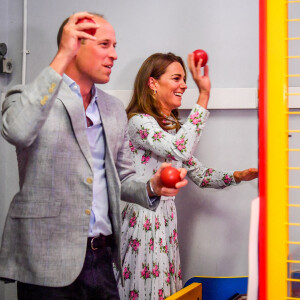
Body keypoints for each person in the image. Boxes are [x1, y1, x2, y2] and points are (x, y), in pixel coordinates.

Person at [0, 13, 188, 300]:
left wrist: (152, 186)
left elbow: (122, 179)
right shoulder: (26, 97)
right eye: (104, 45)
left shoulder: (113, 110)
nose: (113, 54)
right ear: (75, 46)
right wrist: (62, 56)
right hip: (45, 263)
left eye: (115, 45)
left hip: (101, 261)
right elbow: (18, 131)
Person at [117, 52, 258, 299]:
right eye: (176, 78)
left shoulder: (171, 130)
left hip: (165, 221)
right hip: (143, 219)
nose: (184, 85)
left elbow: (200, 175)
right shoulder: (139, 123)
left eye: (184, 79)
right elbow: (180, 149)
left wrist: (239, 175)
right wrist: (204, 96)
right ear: (152, 83)